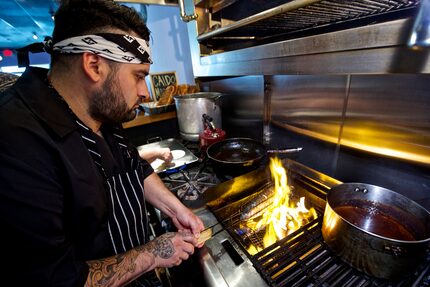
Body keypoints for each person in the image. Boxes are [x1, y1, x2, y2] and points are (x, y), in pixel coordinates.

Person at [0, 1, 205, 286]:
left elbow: (133, 165)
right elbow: (56, 279)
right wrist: (154, 254)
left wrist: (175, 209)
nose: (144, 92)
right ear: (94, 65)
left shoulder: (99, 109)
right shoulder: (17, 143)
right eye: (138, 76)